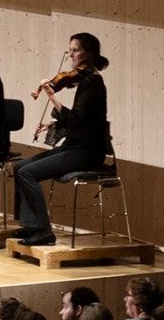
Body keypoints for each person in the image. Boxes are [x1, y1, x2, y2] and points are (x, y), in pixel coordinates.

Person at [11, 32, 114, 242]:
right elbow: (82, 121)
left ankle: (42, 231)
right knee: (19, 167)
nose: (71, 56)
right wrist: (52, 124)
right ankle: (30, 225)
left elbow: (77, 120)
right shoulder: (86, 81)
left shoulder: (93, 82)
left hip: (86, 152)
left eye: (75, 51)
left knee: (28, 173)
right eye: (70, 51)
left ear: (89, 53)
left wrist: (51, 96)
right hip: (75, 146)